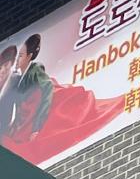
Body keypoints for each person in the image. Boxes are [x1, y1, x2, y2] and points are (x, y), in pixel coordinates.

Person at [0, 33, 124, 165]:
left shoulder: (34, 70)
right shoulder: (14, 81)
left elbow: (47, 92)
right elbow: (10, 110)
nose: (5, 69)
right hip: (24, 121)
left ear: (29, 56)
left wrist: (36, 128)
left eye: (20, 56)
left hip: (45, 109)